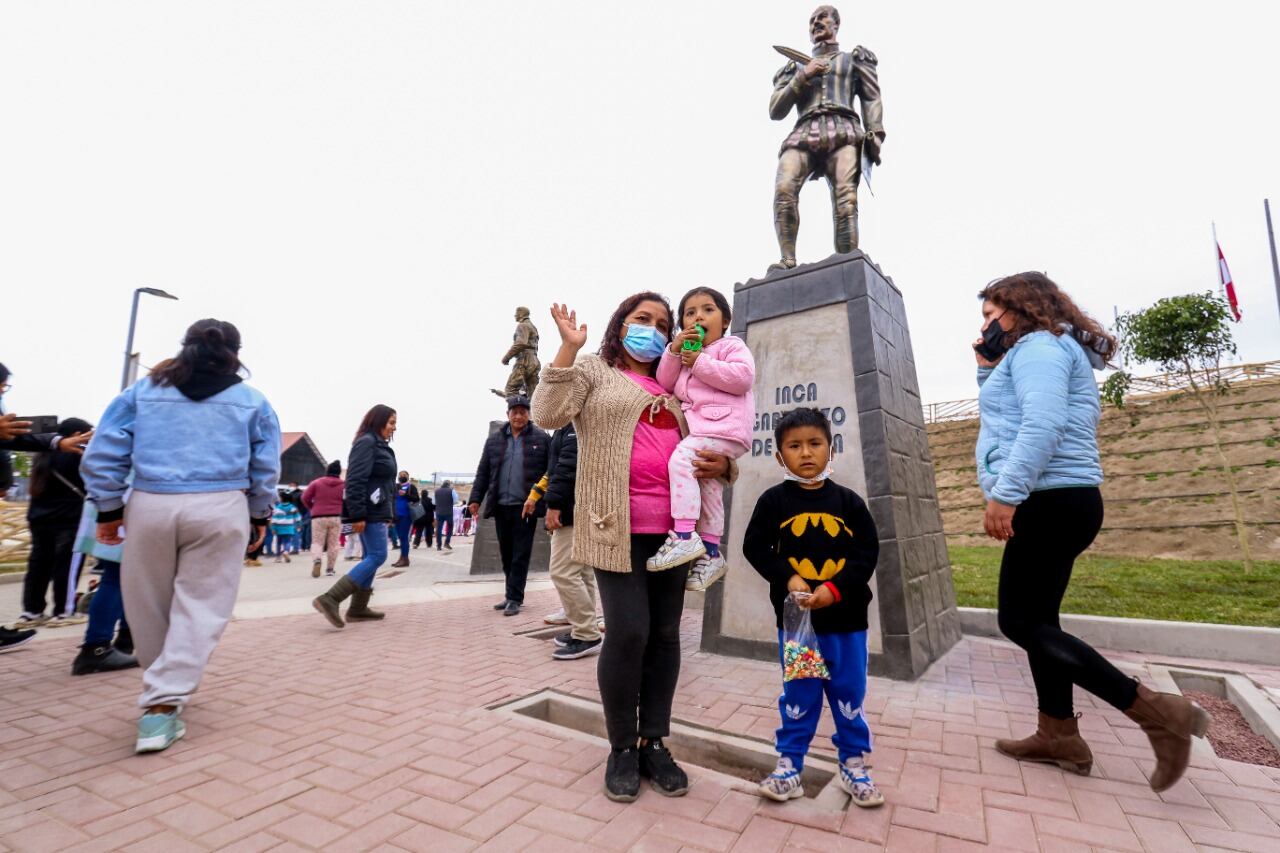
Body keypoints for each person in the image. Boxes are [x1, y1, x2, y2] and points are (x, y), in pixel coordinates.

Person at [974, 272, 1210, 793]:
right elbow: (1009, 418)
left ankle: (1154, 710)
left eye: (992, 315)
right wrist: (987, 369)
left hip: (1047, 498)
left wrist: (1006, 493)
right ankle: (1057, 733)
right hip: (1063, 499)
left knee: (1018, 621)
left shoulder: (1038, 347)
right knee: (1041, 619)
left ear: (1020, 308)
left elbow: (1041, 425)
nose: (985, 326)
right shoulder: (1040, 349)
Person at [532, 294, 735, 803]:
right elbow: (548, 413)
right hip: (613, 526)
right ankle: (622, 745)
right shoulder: (594, 371)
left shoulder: (679, 382)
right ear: (620, 323)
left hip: (674, 534)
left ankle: (655, 741)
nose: (653, 329)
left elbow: (715, 437)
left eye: (662, 324)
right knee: (628, 632)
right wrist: (567, 350)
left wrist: (725, 468)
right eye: (642, 319)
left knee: (666, 635)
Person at [81, 318, 281, 753]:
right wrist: (259, 514)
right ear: (236, 353)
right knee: (202, 605)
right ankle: (162, 704)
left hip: (151, 502)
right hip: (220, 504)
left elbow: (102, 452)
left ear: (185, 346)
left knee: (146, 602)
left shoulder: (143, 392)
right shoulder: (252, 401)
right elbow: (265, 468)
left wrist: (109, 507)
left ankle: (163, 689)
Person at [743, 408, 883, 807]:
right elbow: (755, 547)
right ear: (779, 456)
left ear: (830, 448)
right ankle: (790, 765)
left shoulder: (849, 503)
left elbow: (865, 555)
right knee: (799, 695)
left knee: (848, 693)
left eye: (814, 443)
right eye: (794, 445)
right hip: (799, 626)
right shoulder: (773, 502)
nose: (806, 453)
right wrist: (788, 576)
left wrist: (833, 590)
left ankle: (853, 763)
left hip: (847, 623)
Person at [650, 287, 754, 591]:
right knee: (708, 489)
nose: (698, 316)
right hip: (707, 432)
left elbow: (743, 378)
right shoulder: (684, 355)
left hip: (722, 428)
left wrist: (699, 362)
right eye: (690, 312)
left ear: (725, 320)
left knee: (681, 461)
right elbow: (664, 383)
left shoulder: (730, 346)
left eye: (708, 309)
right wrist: (673, 353)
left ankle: (683, 536)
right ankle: (710, 553)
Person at [312, 405, 398, 627]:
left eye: (395, 423)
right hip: (369, 511)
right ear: (377, 421)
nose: (394, 427)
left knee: (371, 555)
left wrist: (389, 512)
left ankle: (358, 608)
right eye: (390, 422)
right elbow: (356, 480)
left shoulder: (379, 445)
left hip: (378, 509)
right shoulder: (367, 443)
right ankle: (331, 598)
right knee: (378, 556)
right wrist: (359, 514)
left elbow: (384, 483)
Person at [468, 396, 550, 616]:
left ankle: (515, 597)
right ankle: (509, 594)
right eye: (514, 411)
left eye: (523, 411)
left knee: (520, 554)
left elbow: (550, 472)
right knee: (506, 552)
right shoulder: (494, 440)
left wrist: (546, 501)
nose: (518, 416)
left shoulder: (541, 439)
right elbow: (483, 471)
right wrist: (475, 499)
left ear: (529, 414)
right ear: (508, 414)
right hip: (501, 505)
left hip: (526, 507)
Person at [526, 424, 601, 659]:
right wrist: (536, 494)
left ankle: (587, 633)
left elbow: (568, 467)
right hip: (580, 507)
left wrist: (554, 504)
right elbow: (556, 468)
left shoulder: (574, 426)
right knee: (582, 572)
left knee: (563, 572)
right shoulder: (568, 426)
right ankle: (584, 628)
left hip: (572, 509)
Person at [14, 418, 95, 628]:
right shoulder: (77, 454)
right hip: (70, 517)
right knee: (67, 565)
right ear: (78, 434)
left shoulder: (42, 455)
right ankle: (64, 611)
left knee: (38, 564)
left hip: (39, 517)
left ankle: (31, 612)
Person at [70, 499, 138, 675]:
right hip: (120, 509)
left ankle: (123, 641)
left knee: (125, 579)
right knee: (117, 579)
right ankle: (97, 647)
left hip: (111, 507)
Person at [303, 461, 345, 577]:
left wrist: (312, 508)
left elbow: (305, 497)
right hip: (336, 517)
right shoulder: (344, 484)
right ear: (339, 472)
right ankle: (330, 569)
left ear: (327, 471)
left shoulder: (316, 483)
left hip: (318, 516)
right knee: (333, 543)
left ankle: (317, 560)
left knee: (317, 541)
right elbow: (348, 500)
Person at [390, 471, 419, 568]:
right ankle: (402, 558)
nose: (401, 477)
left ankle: (405, 558)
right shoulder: (396, 486)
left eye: (404, 475)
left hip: (406, 515)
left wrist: (406, 495)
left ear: (407, 477)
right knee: (400, 537)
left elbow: (417, 499)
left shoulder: (411, 487)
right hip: (396, 515)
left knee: (404, 537)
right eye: (400, 475)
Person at [270, 491, 301, 563]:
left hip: (278, 527)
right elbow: (297, 517)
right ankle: (286, 551)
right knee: (288, 541)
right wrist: (298, 525)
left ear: (282, 498)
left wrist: (273, 528)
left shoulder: (277, 508)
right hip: (289, 527)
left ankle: (278, 557)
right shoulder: (292, 507)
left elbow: (274, 519)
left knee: (279, 542)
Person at [434, 481, 457, 551]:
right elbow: (456, 501)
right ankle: (446, 543)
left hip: (439, 512)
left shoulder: (436, 491)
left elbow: (433, 502)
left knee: (439, 529)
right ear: (448, 485)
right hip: (448, 512)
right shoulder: (452, 491)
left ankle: (438, 545)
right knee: (450, 527)